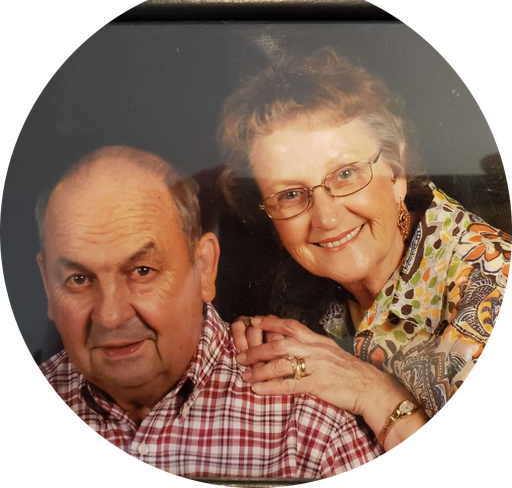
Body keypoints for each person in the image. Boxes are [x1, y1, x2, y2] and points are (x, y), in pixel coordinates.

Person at [219, 47, 511, 451]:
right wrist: (252, 342)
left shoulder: (493, 281)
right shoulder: (297, 284)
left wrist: (375, 394)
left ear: (396, 173)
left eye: (345, 174)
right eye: (290, 194)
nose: (326, 218)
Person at [36, 145, 383, 478]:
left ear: (204, 267)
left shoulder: (316, 427)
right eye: (78, 279)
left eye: (142, 271)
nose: (110, 316)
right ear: (48, 287)